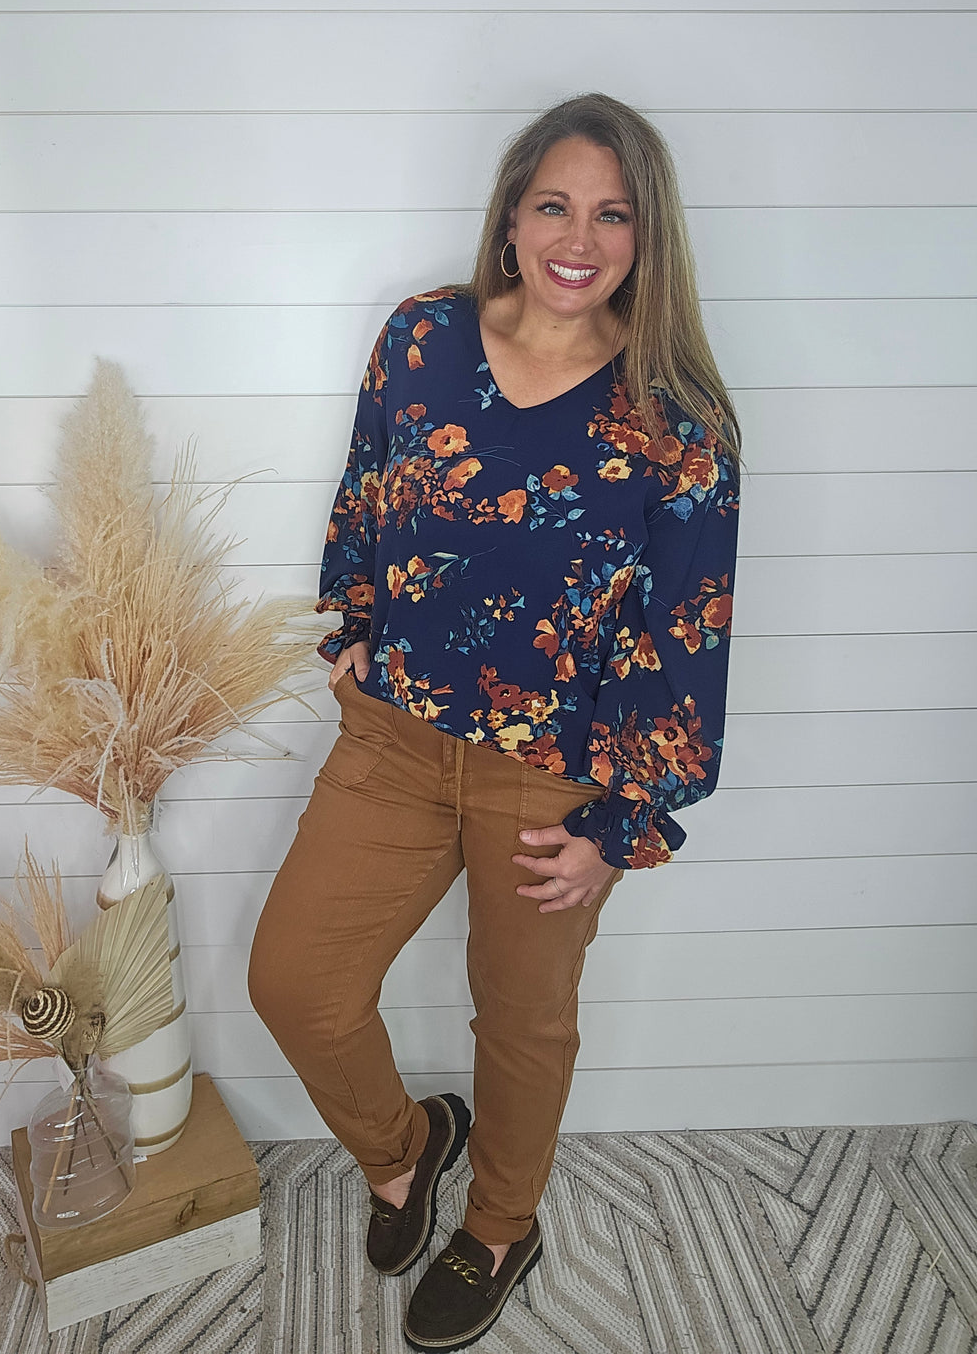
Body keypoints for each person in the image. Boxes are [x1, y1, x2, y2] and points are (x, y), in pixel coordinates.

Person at [248, 93, 742, 1352]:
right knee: (296, 982)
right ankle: (409, 1150)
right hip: (395, 743)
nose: (581, 237)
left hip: (556, 785)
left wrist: (622, 830)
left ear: (648, 235)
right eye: (556, 204)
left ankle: (503, 1227)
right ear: (513, 215)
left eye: (613, 213)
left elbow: (687, 639)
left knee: (520, 1027)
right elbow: (365, 491)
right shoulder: (422, 339)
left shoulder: (679, 423)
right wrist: (352, 628)